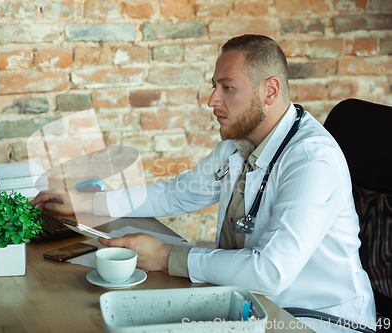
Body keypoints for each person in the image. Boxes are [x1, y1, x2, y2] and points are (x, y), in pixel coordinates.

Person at [33, 34, 376, 331]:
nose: (212, 100)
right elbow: (179, 194)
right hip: (248, 303)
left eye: (227, 88)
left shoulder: (312, 161)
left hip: (313, 320)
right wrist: (88, 203)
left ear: (269, 91)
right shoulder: (238, 144)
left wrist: (168, 255)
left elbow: (270, 272)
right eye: (215, 86)